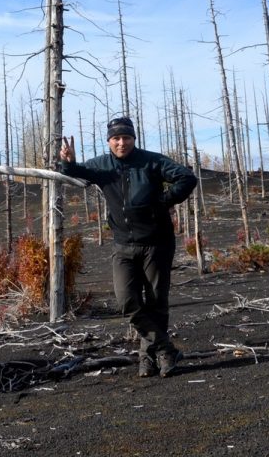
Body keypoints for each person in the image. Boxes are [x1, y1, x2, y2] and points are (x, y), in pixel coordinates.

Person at [59, 115, 197, 378]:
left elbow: (186, 178)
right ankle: (167, 349)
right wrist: (68, 163)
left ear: (134, 138)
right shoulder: (102, 165)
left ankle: (148, 360)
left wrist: (164, 201)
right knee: (127, 302)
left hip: (156, 242)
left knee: (156, 303)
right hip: (123, 245)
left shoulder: (151, 161)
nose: (121, 143)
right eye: (116, 138)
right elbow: (76, 173)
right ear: (109, 141)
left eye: (126, 137)